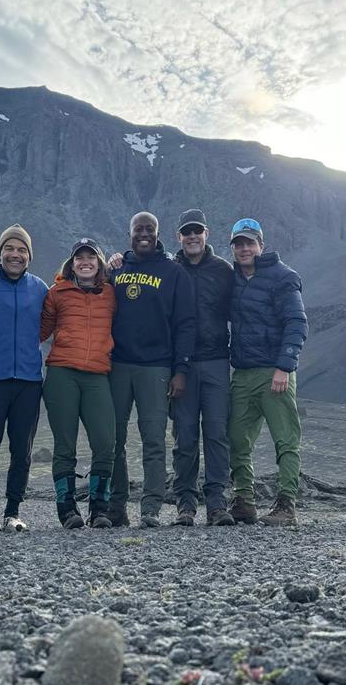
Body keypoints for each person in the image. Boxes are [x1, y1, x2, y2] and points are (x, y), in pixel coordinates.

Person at [107, 212, 196, 528]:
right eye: (138, 229)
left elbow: (185, 324)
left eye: (150, 229)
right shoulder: (116, 270)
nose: (144, 234)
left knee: (154, 440)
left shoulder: (174, 273)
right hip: (117, 365)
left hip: (156, 367)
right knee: (113, 439)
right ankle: (116, 505)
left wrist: (181, 369)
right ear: (129, 232)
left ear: (158, 234)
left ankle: (151, 507)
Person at [226, 218, 308, 526]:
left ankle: (286, 504)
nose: (244, 248)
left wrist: (284, 366)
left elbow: (297, 323)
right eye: (238, 244)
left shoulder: (283, 277)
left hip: (275, 372)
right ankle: (244, 501)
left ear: (261, 244)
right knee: (236, 438)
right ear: (232, 248)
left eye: (250, 242)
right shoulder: (230, 278)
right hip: (243, 373)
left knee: (285, 439)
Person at [0, 224, 49, 532]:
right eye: (10, 248)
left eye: (22, 250)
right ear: (0, 252)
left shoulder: (40, 288)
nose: (15, 254)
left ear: (29, 256)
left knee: (22, 450)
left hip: (29, 381)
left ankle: (13, 511)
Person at [40, 238, 117, 529]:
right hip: (62, 374)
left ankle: (99, 508)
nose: (85, 262)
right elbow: (40, 331)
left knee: (105, 442)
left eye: (91, 257)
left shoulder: (112, 293)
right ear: (72, 264)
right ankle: (67, 509)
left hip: (97, 374)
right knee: (64, 445)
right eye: (79, 258)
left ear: (100, 263)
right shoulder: (57, 292)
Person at [170, 209, 235, 527]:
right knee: (184, 436)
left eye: (197, 231)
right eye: (186, 232)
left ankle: (217, 503)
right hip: (181, 366)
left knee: (217, 433)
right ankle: (185, 503)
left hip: (216, 362)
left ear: (207, 234)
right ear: (178, 237)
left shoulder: (223, 270)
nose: (192, 236)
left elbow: (241, 310)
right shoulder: (170, 269)